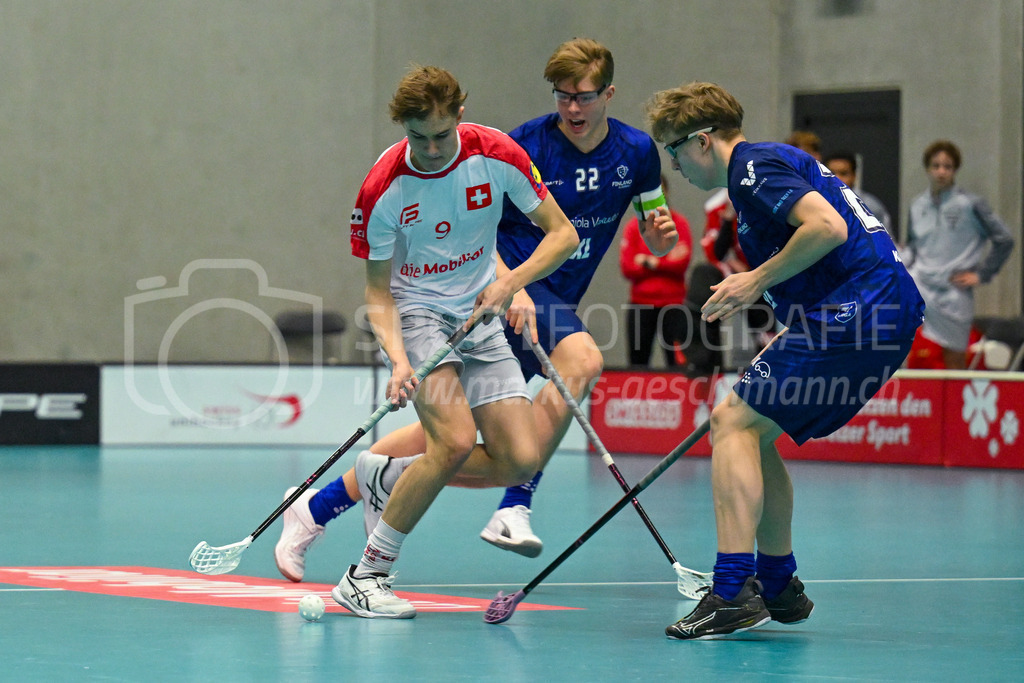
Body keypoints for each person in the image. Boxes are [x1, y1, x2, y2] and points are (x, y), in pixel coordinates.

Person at [273, 39, 677, 586]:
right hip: (506, 294)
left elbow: (651, 233)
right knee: (577, 363)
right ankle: (514, 505)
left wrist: (659, 240)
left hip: (540, 292)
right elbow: (477, 230)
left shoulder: (638, 151)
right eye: (562, 96)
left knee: (445, 439)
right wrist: (513, 284)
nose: (572, 108)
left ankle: (321, 504)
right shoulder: (525, 143)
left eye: (583, 96)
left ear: (608, 93)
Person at [645, 81, 924, 639]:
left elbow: (827, 227)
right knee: (755, 429)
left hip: (862, 306)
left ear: (702, 141)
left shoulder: (751, 169)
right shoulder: (763, 170)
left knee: (731, 421)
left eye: (674, 150)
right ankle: (777, 585)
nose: (674, 165)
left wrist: (754, 279)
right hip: (871, 309)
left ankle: (732, 592)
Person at [325, 65, 579, 619]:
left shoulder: (498, 155)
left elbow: (564, 235)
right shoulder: (383, 188)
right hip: (417, 313)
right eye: (419, 137)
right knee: (454, 441)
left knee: (520, 460)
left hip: (480, 311)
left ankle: (387, 475)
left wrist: (510, 283)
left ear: (460, 116)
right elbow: (377, 291)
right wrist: (398, 361)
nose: (432, 149)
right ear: (403, 128)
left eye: (442, 134)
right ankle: (365, 576)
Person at [904, 139, 1015, 369]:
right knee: (901, 345)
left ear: (955, 169)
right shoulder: (916, 205)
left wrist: (982, 274)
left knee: (954, 358)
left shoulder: (971, 204)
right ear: (927, 169)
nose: (941, 172)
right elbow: (913, 247)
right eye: (936, 166)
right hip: (920, 285)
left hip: (954, 292)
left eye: (947, 166)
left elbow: (1005, 239)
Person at [619, 173, 692, 367]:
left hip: (673, 305)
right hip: (641, 305)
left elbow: (681, 263)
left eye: (659, 193)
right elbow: (627, 267)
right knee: (638, 362)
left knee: (678, 362)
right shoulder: (633, 228)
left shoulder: (679, 224)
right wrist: (665, 261)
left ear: (666, 193)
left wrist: (652, 262)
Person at [823, 151, 893, 235]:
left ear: (854, 176)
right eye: (831, 173)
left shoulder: (870, 207)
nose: (836, 178)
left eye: (843, 173)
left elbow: (885, 240)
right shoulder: (814, 203)